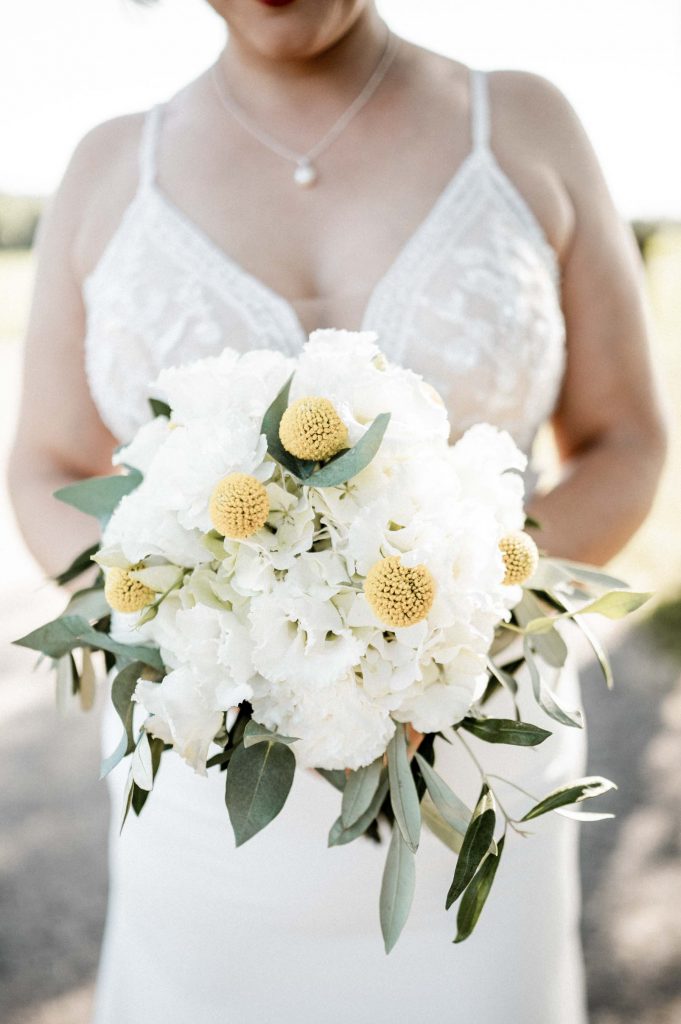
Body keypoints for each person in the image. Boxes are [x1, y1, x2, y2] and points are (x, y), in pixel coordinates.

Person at [9, 1, 667, 1021]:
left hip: (471, 758)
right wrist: (193, 619)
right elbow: (47, 463)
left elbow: (626, 439)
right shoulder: (106, 167)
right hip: (204, 776)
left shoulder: (526, 126)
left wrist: (448, 620)